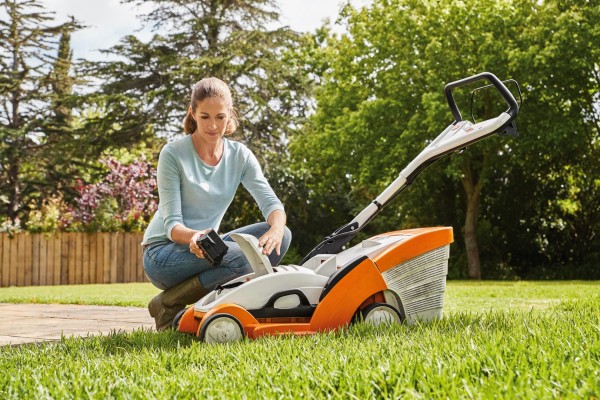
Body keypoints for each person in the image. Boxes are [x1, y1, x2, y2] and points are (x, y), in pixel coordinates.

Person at [142, 77, 292, 331]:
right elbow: (172, 225)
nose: (213, 126)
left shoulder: (239, 155)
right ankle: (170, 303)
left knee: (281, 239)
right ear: (193, 114)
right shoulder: (174, 153)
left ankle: (172, 304)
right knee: (242, 256)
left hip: (210, 246)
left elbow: (271, 203)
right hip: (163, 254)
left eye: (220, 117)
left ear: (230, 115)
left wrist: (276, 228)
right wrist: (194, 236)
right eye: (205, 117)